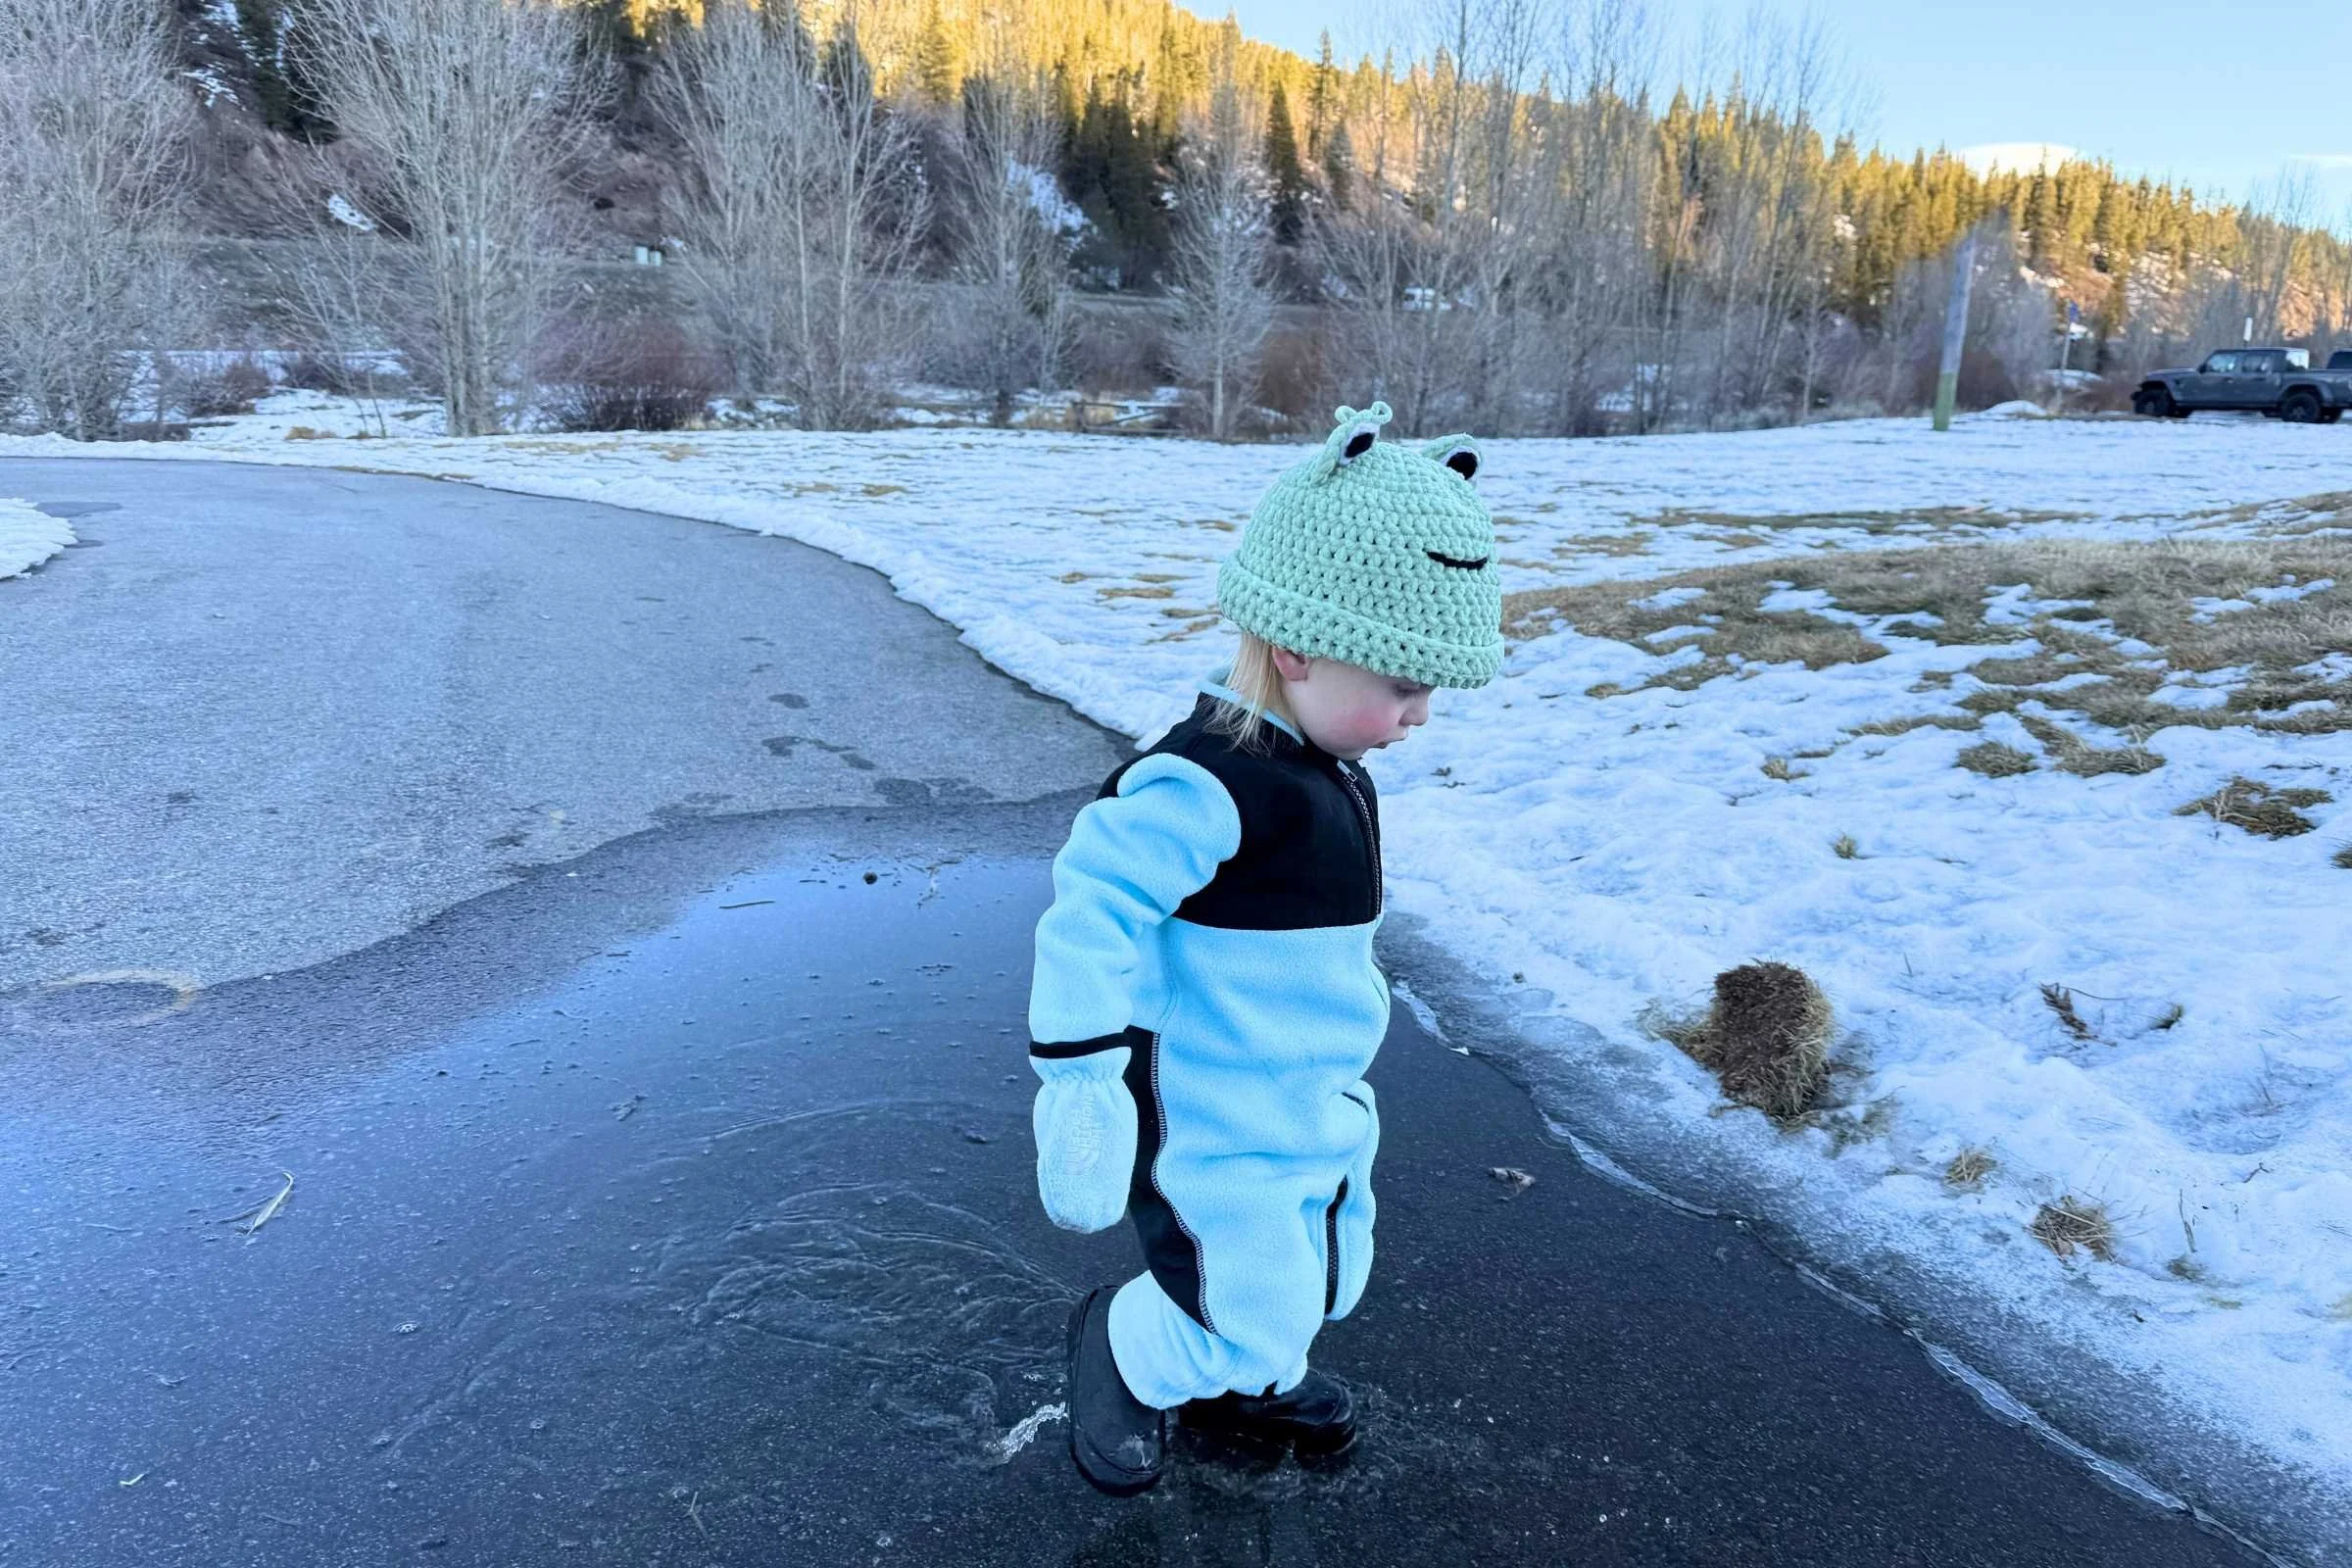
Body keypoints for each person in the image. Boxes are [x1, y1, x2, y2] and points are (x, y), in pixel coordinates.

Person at [1024, 400, 1504, 1494]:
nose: (1420, 715)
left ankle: (1250, 1370)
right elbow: (1091, 906)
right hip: (1210, 1099)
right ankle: (1129, 1348)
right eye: (1402, 684)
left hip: (1300, 1084)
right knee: (1240, 1275)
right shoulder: (1203, 784)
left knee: (1318, 1253)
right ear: (1295, 649)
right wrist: (1081, 1075)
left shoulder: (1327, 766)